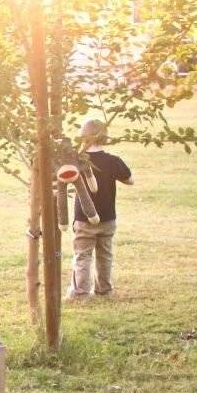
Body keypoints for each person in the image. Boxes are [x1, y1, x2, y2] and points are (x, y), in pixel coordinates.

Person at [68, 118, 134, 298]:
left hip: (83, 218)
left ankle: (80, 292)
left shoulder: (76, 161)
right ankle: (104, 290)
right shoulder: (113, 161)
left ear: (82, 137)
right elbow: (129, 180)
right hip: (108, 218)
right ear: (105, 138)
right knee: (105, 255)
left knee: (82, 256)